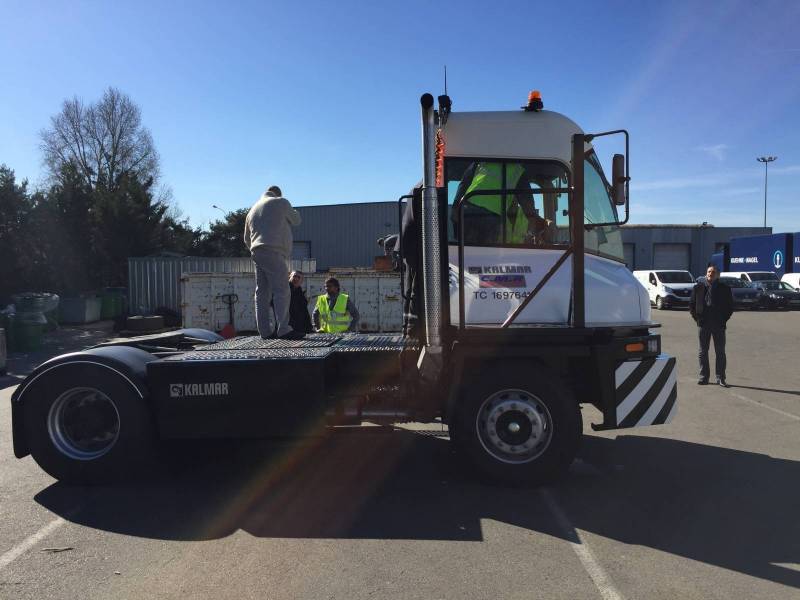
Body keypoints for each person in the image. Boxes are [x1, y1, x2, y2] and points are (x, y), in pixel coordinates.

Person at [243, 185, 303, 339]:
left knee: (262, 292)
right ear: (278, 194)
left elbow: (246, 238)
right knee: (282, 290)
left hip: (257, 252)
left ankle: (264, 331)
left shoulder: (252, 211)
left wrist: (256, 250)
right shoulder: (281, 202)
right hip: (274, 250)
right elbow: (296, 220)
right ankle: (283, 329)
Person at [690, 264, 733, 387]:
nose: (710, 274)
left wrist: (723, 319)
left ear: (718, 275)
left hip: (718, 325)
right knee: (703, 351)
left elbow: (729, 307)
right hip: (703, 325)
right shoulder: (698, 288)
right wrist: (697, 319)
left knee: (720, 352)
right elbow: (692, 305)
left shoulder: (724, 288)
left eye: (713, 272)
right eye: (709, 272)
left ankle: (720, 378)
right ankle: (704, 377)